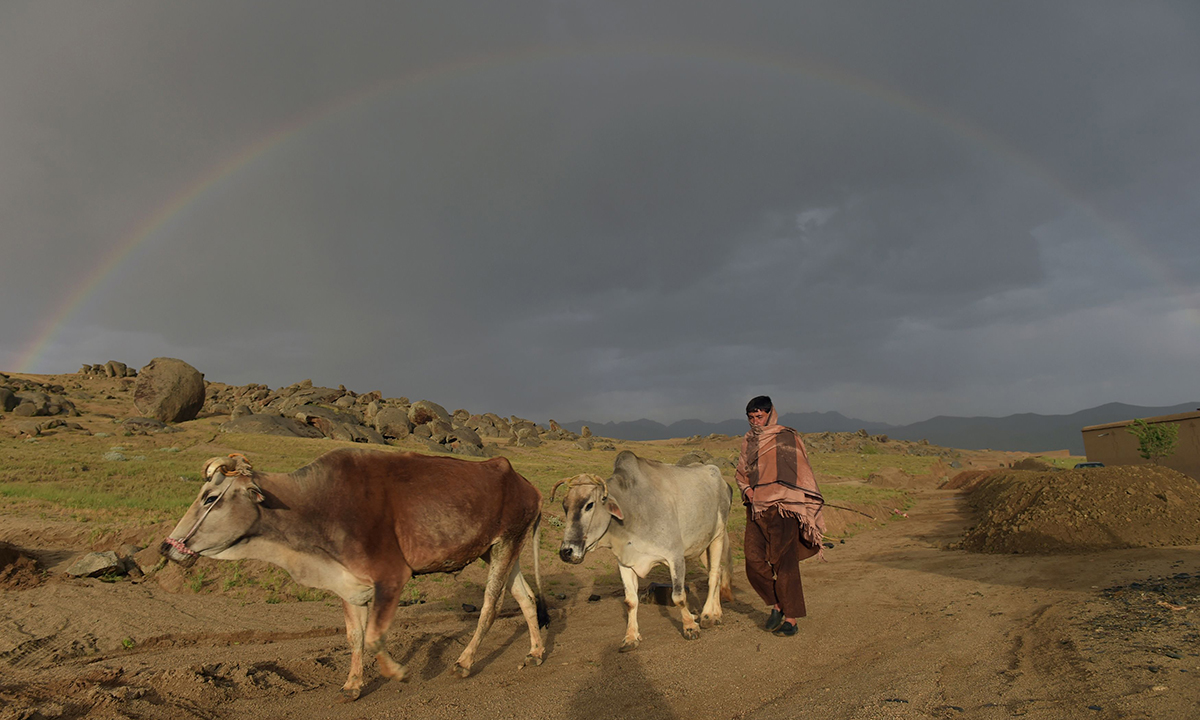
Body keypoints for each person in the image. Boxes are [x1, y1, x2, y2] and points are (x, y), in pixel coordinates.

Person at [734, 395, 825, 636]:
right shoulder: (748, 440)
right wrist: (748, 490)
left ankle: (791, 619)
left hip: (784, 509)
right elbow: (741, 473)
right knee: (753, 562)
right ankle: (776, 604)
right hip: (756, 509)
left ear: (770, 414)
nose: (755, 421)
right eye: (751, 417)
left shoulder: (786, 437)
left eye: (759, 416)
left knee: (785, 564)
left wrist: (790, 496)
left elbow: (800, 472)